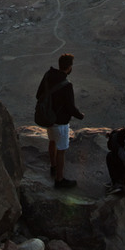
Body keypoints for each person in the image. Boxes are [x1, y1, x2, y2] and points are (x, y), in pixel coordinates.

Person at [36, 52, 84, 189]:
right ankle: (59, 179)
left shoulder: (48, 75)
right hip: (61, 123)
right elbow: (70, 107)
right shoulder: (66, 85)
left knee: (52, 142)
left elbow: (38, 95)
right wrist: (80, 116)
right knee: (61, 150)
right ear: (69, 67)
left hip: (49, 119)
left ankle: (53, 166)